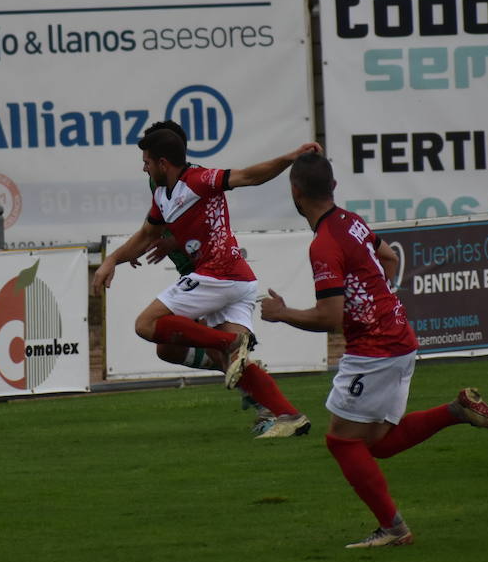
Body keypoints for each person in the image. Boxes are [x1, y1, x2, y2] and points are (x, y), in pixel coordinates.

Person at [259, 150, 488, 548]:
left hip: (375, 349)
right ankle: (457, 410)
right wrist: (379, 299)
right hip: (397, 339)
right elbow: (389, 256)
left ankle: (395, 530)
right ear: (334, 187)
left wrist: (281, 312)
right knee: (377, 443)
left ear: (295, 192)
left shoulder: (324, 244)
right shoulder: (352, 222)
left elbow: (329, 317)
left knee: (341, 441)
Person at [91, 126, 318, 438]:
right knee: (231, 362)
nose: (143, 167)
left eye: (146, 161)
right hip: (237, 281)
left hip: (219, 273)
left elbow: (249, 176)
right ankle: (289, 417)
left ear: (162, 163)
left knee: (146, 324)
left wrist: (292, 157)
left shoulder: (198, 179)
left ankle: (231, 344)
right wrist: (110, 260)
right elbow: (146, 234)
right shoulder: (161, 195)